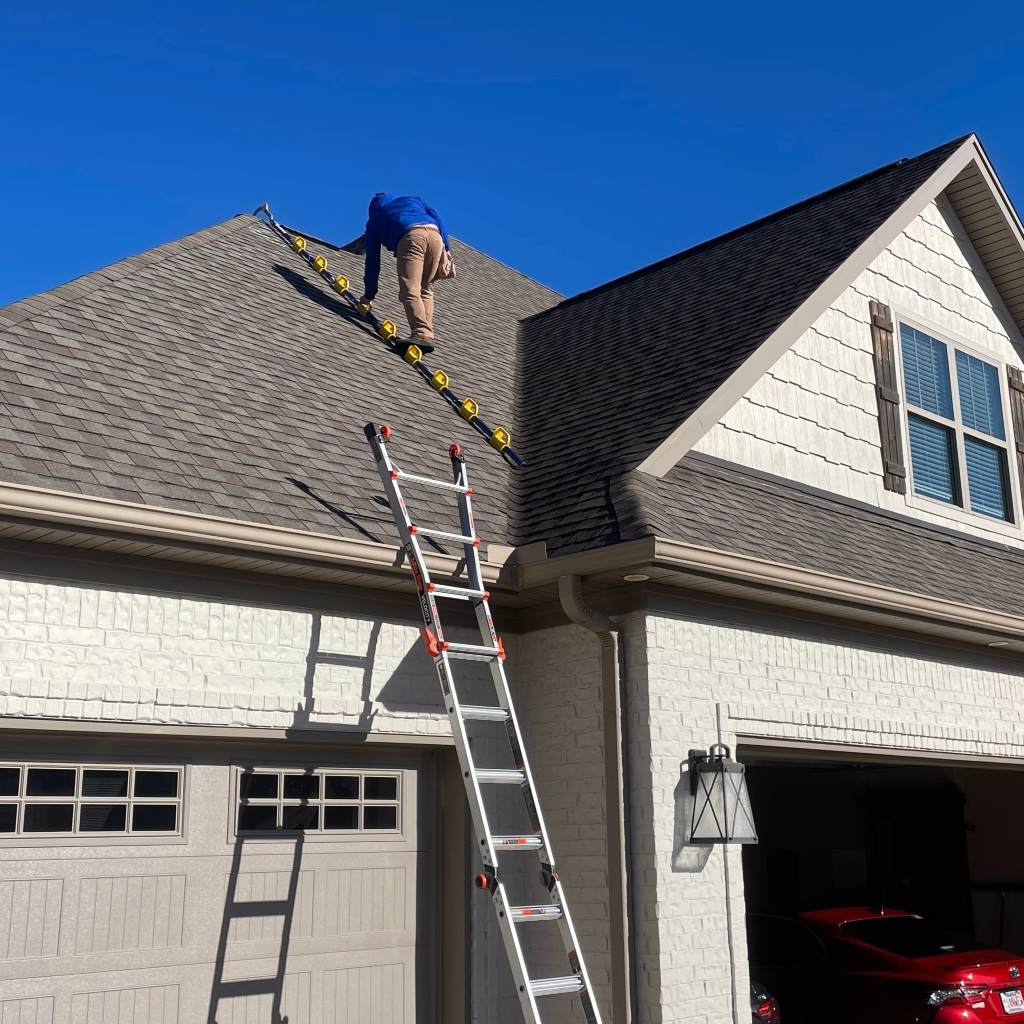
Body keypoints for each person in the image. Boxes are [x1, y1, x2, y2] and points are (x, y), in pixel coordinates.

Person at [359, 193, 452, 355]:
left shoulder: (375, 219)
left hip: (411, 236)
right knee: (426, 289)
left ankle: (421, 333)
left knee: (410, 289)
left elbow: (373, 261)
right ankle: (426, 334)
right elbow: (435, 214)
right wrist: (447, 247)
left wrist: (369, 295)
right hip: (435, 236)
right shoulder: (413, 200)